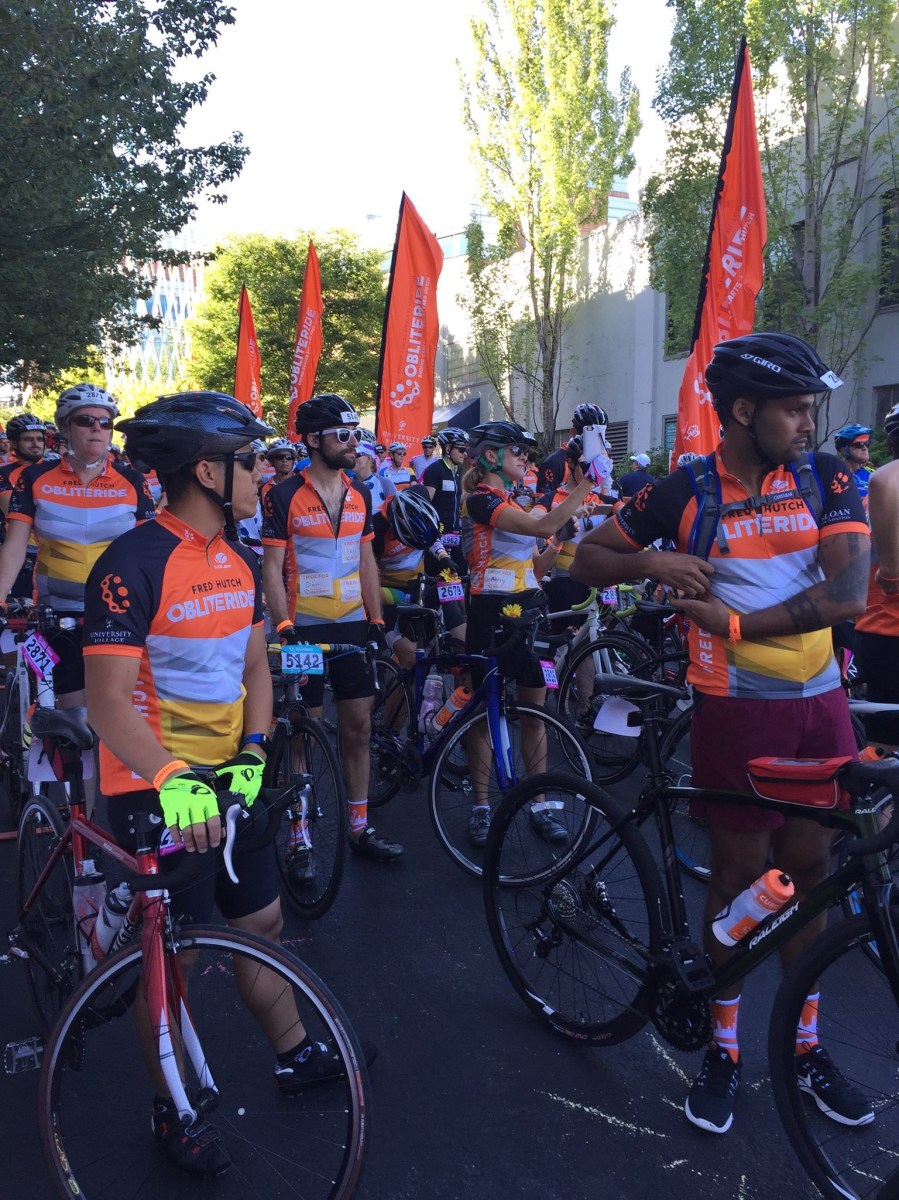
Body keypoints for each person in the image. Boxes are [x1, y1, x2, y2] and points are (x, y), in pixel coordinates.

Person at [571, 332, 872, 1136]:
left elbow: (848, 591)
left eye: (810, 409)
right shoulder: (683, 490)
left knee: (809, 870)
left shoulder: (827, 475)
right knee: (739, 881)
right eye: (794, 409)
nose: (808, 423)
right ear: (742, 410)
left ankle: (803, 1046)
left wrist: (733, 622)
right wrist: (651, 565)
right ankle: (724, 1047)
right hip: (734, 710)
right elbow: (584, 558)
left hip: (819, 704)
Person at [83, 391, 362, 1178]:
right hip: (155, 781)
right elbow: (107, 704)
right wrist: (174, 778)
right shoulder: (130, 563)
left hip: (230, 773)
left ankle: (293, 1050)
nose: (262, 474)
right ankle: (172, 1106)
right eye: (248, 462)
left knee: (262, 919)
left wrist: (254, 749)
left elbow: (253, 668)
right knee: (172, 959)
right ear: (207, 471)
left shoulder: (235, 556)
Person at [262, 393, 403, 862]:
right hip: (303, 627)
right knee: (304, 729)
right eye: (343, 435)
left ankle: (359, 825)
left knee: (358, 727)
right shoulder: (282, 495)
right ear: (312, 440)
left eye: (355, 434)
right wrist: (284, 625)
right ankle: (299, 832)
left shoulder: (360, 492)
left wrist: (376, 619)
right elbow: (272, 568)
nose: (352, 442)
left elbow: (366, 560)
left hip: (352, 626)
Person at [461, 419, 597, 846]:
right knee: (484, 714)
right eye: (517, 450)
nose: (526, 457)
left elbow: (536, 563)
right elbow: (540, 524)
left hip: (530, 606)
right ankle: (481, 806)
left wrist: (558, 540)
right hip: (490, 611)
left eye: (528, 452)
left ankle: (539, 803)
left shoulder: (512, 500)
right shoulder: (480, 499)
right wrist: (586, 485)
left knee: (535, 711)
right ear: (490, 456)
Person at [0, 383, 155, 712]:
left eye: (105, 422)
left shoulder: (132, 481)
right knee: (71, 715)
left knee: (113, 710)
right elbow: (14, 547)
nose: (97, 428)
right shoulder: (35, 477)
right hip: (55, 615)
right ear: (65, 427)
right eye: (85, 420)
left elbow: (149, 555)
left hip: (118, 613)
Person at [855, 403, 899, 750]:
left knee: (884, 745)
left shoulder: (875, 493)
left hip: (877, 628)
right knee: (887, 749)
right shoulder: (886, 482)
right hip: (888, 631)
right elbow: (890, 576)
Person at [0, 413, 46, 599]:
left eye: (39, 439)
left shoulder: (55, 468)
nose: (36, 444)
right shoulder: (4, 473)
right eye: (28, 439)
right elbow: (11, 509)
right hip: (23, 554)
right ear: (14, 443)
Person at [422, 426, 468, 576]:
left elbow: (457, 499)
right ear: (448, 449)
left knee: (460, 573)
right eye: (461, 450)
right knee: (438, 577)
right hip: (438, 534)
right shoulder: (435, 470)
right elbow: (426, 504)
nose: (465, 454)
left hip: (455, 532)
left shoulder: (458, 471)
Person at [537, 402, 609, 498]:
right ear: (573, 433)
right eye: (590, 434)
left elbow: (607, 495)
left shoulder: (602, 459)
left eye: (599, 435)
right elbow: (543, 500)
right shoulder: (555, 462)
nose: (595, 440)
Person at [354, 439, 396, 517]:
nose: (352, 458)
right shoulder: (345, 484)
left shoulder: (385, 484)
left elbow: (395, 514)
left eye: (357, 455)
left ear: (369, 458)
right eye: (351, 454)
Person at [834, 423, 875, 502]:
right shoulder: (834, 475)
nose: (864, 448)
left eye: (866, 444)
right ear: (844, 450)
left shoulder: (874, 474)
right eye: (859, 444)